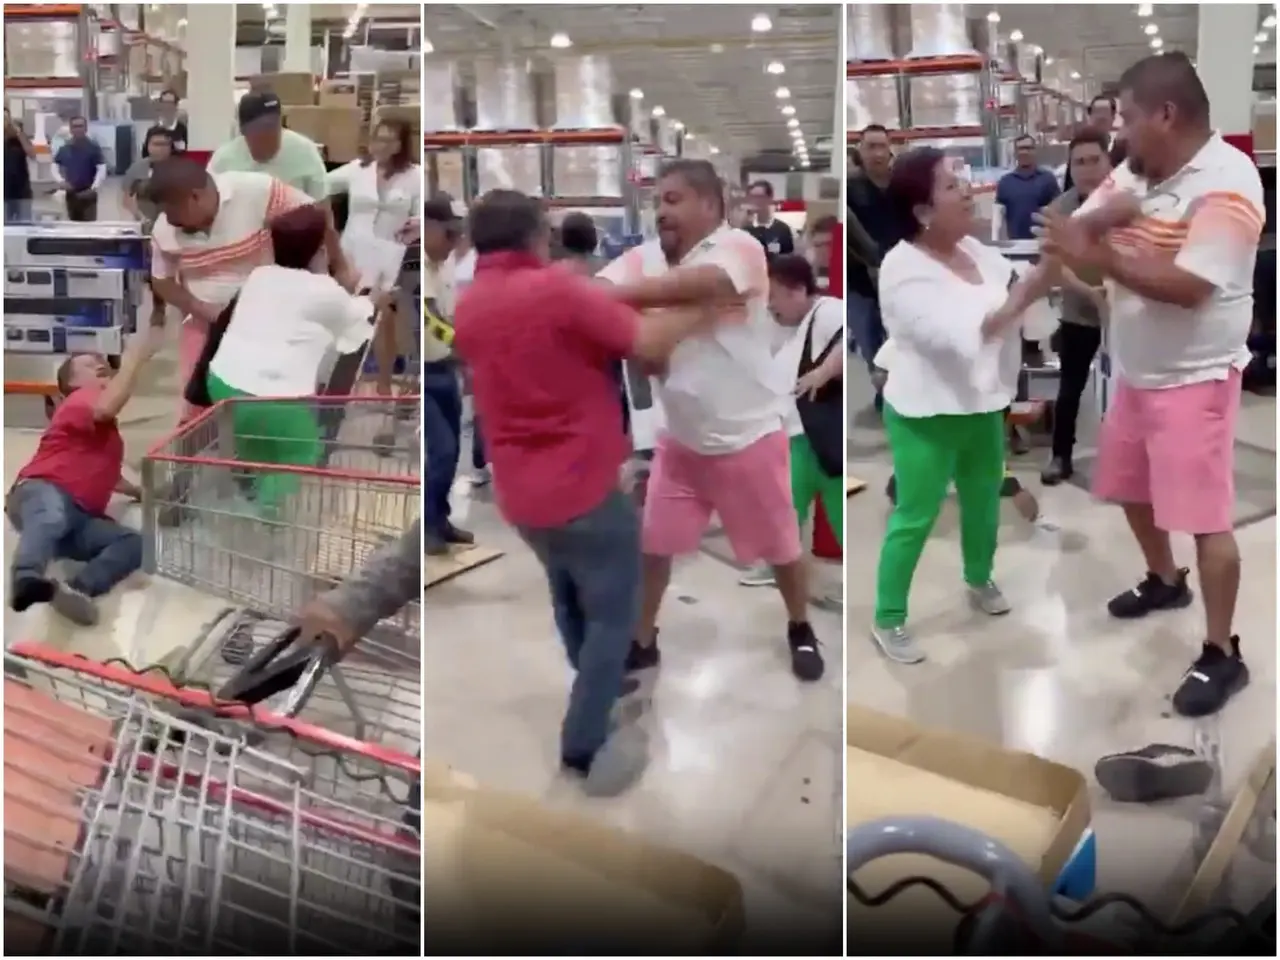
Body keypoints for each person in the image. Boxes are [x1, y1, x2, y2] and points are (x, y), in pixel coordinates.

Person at [452, 188, 725, 795]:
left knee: (566, 589)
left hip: (519, 496)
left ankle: (593, 682)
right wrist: (706, 306)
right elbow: (649, 346)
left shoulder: (470, 305)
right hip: (585, 489)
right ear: (536, 236)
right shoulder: (557, 291)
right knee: (613, 614)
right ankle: (584, 743)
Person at [1037, 52, 1264, 718]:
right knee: (1131, 492)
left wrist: (1102, 251)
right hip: (1135, 372)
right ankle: (1165, 581)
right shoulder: (1138, 170)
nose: (1119, 134)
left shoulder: (1229, 182)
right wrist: (1105, 225)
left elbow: (1191, 287)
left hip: (1195, 379)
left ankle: (1223, 652)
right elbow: (1080, 224)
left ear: (1166, 114)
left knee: (1204, 518)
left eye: (1128, 118)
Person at [598, 160, 825, 683]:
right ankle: (643, 639)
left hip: (749, 437)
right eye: (659, 201)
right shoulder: (647, 257)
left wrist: (639, 313)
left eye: (674, 200)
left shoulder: (738, 247)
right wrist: (670, 317)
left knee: (783, 550)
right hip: (681, 442)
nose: (662, 212)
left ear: (710, 204)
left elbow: (712, 282)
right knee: (654, 546)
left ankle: (799, 626)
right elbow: (606, 301)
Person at [870, 147, 1054, 665]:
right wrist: (1030, 291)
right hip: (925, 413)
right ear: (923, 211)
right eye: (951, 185)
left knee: (981, 501)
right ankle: (888, 619)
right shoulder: (902, 270)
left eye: (962, 180)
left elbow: (1014, 290)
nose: (967, 190)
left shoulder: (974, 249)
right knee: (916, 515)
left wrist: (1047, 272)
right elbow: (958, 337)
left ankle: (978, 577)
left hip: (981, 402)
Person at [191, 205, 379, 514]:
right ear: (321, 249)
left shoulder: (259, 276)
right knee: (300, 454)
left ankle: (249, 498)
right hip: (276, 396)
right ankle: (266, 522)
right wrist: (370, 295)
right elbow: (356, 328)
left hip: (223, 383)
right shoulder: (324, 289)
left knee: (257, 451)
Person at [148, 159, 351, 421]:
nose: (170, 222)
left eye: (174, 215)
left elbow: (315, 219)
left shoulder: (257, 191)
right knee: (199, 407)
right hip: (206, 324)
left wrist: (341, 268)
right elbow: (162, 282)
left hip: (266, 322)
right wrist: (205, 310)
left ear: (195, 197)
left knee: (264, 402)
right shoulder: (164, 230)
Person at [7, 327, 164, 626]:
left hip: (77, 518)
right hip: (40, 492)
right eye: (89, 365)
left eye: (100, 360)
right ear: (70, 384)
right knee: (51, 514)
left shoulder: (103, 435)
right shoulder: (80, 400)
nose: (99, 362)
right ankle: (26, 577)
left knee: (134, 543)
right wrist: (135, 358)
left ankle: (78, 590)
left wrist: (140, 493)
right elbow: (107, 407)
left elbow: (110, 477)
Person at [739, 255, 845, 591]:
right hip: (796, 435)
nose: (772, 307)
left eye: (776, 298)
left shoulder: (827, 311)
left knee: (835, 511)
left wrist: (823, 372)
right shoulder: (790, 326)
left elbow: (849, 340)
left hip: (819, 438)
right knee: (784, 507)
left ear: (798, 290)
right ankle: (777, 565)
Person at [327, 119, 422, 398]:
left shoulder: (414, 175)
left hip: (388, 255)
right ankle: (336, 384)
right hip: (352, 252)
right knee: (343, 315)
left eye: (389, 140)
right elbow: (322, 184)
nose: (381, 145)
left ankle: (383, 383)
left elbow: (419, 213)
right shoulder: (358, 169)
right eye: (377, 138)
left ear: (401, 145)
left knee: (383, 320)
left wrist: (414, 223)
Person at [1042, 129, 1114, 485]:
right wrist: (1089, 292)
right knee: (1070, 388)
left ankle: (1136, 461)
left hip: (1126, 313)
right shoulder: (1059, 210)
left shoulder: (1127, 201)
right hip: (1079, 310)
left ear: (1108, 161)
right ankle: (1060, 456)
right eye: (1079, 162)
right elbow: (1054, 266)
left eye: (1094, 160)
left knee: (1131, 390)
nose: (1087, 169)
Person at [421, 195, 469, 555]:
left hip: (446, 369)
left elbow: (451, 316)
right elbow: (429, 320)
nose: (454, 243)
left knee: (452, 452)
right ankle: (425, 527)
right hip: (425, 372)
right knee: (441, 450)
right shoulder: (420, 267)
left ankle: (440, 519)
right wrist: (462, 342)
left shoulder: (445, 266)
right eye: (449, 234)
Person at [847, 124, 901, 404]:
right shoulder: (850, 187)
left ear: (890, 148)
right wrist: (869, 262)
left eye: (882, 146)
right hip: (859, 281)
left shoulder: (901, 184)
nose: (877, 153)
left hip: (900, 277)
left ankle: (898, 390)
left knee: (901, 337)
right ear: (861, 150)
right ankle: (882, 389)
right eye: (871, 146)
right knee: (870, 341)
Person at [209, 91, 329, 201]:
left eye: (274, 126)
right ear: (243, 131)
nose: (270, 135)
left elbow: (323, 208)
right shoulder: (223, 161)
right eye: (262, 128)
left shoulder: (305, 152)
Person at [996, 135, 1062, 242]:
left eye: (1028, 148)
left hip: (1043, 244)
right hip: (1014, 246)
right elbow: (999, 218)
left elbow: (1058, 211)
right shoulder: (1005, 182)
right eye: (1020, 149)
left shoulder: (1048, 179)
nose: (1024, 152)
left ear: (1035, 151)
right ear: (1015, 153)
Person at [1063, 95, 1125, 192]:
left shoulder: (1123, 149)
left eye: (1105, 111)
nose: (1101, 116)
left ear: (1113, 117)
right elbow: (1069, 188)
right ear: (1090, 116)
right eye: (1097, 111)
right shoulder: (1078, 147)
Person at [53, 116, 106, 222]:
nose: (78, 129)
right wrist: (61, 181)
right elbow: (54, 166)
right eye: (75, 126)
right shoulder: (64, 148)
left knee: (89, 228)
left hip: (88, 195)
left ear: (86, 128)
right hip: (71, 194)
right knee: (72, 227)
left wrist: (94, 188)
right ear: (71, 129)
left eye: (80, 126)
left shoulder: (93, 148)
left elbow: (101, 168)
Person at [121, 128, 173, 227]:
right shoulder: (137, 168)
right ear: (148, 146)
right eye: (156, 144)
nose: (161, 148)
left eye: (165, 144)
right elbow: (126, 199)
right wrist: (139, 216)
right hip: (143, 223)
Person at [743, 180, 795, 256]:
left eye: (759, 197)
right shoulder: (746, 230)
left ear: (770, 199)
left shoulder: (782, 229)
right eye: (752, 197)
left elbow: (789, 259)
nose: (755, 201)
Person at [4, 108, 35, 223]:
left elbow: (32, 154)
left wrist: (18, 133)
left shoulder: (20, 141)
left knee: (24, 223)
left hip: (22, 192)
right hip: (4, 192)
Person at [141, 88, 188, 156]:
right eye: (164, 103)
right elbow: (145, 157)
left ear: (176, 106)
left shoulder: (183, 131)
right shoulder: (152, 132)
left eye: (170, 103)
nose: (167, 107)